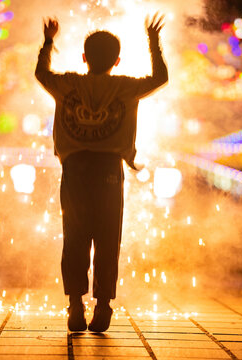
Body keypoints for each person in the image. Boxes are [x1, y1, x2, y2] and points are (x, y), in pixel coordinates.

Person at [35, 14, 168, 332]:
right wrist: (154, 42)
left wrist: (49, 41)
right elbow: (160, 78)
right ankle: (103, 306)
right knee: (108, 238)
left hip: (75, 170)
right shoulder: (125, 87)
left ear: (83, 58)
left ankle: (75, 306)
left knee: (74, 237)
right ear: (118, 61)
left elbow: (41, 73)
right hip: (109, 170)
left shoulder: (68, 84)